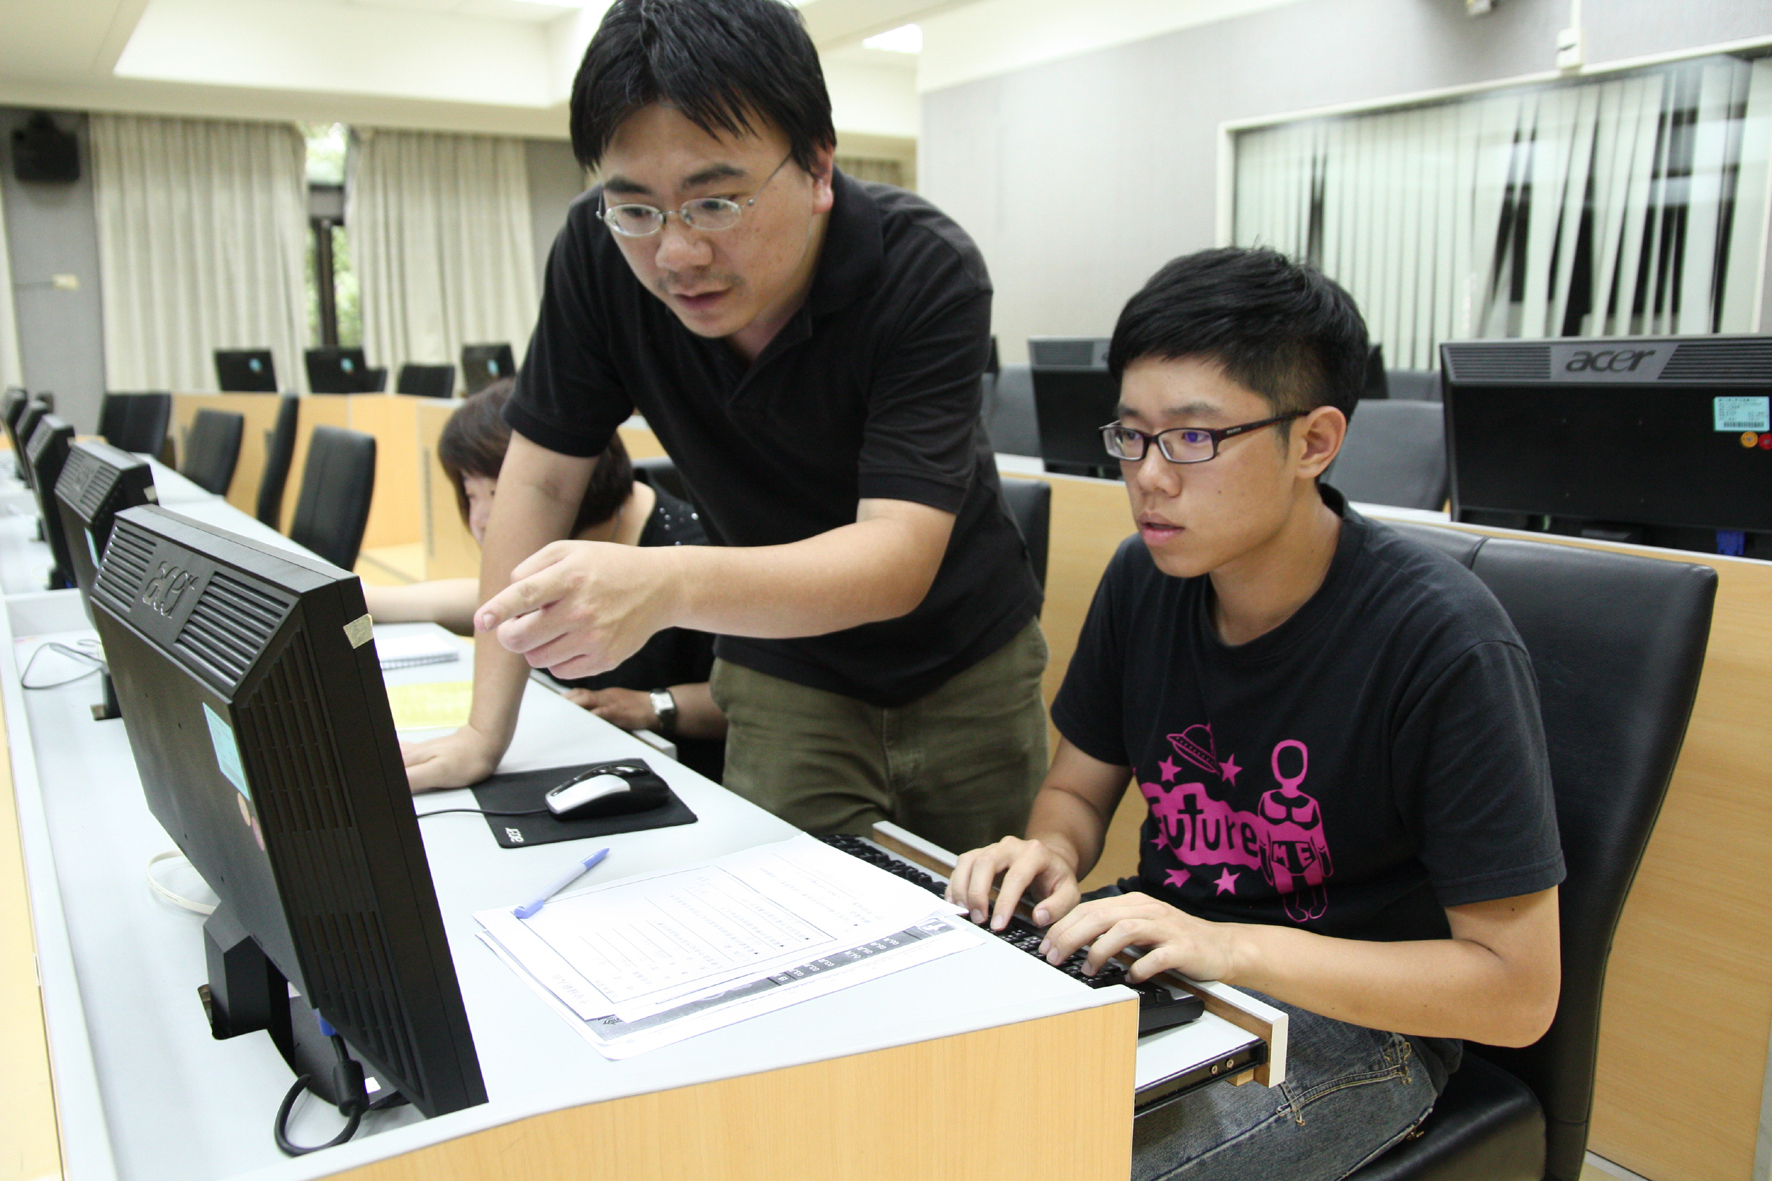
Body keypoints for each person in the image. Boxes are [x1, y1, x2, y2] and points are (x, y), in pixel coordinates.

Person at [945, 248, 1564, 1181]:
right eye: (1131, 436)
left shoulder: (1443, 641)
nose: (1149, 477)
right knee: (924, 1078)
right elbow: (1076, 789)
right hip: (1174, 952)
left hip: (1362, 1019)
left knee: (1057, 1160)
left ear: (1314, 442)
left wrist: (1228, 945)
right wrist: (1051, 855)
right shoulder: (1144, 578)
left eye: (1193, 438)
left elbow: (1517, 990)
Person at [402, 0, 1048, 857]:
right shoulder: (597, 258)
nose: (677, 254)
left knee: (990, 916)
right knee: (789, 904)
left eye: (715, 202)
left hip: (966, 656)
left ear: (818, 167)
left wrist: (665, 582)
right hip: (781, 658)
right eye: (637, 209)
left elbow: (896, 556)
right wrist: (487, 729)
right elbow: (542, 477)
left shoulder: (922, 268)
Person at [366, 380, 727, 782]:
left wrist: (655, 705)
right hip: (585, 749)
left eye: (498, 494)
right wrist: (369, 601)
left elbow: (749, 695)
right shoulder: (575, 538)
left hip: (682, 772)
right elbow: (495, 602)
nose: (482, 519)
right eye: (471, 495)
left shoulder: (694, 550)